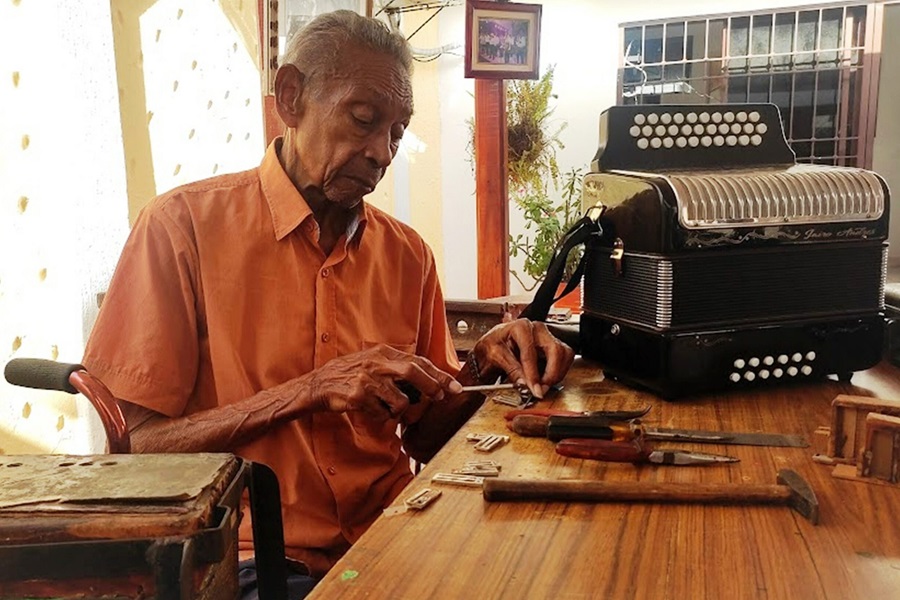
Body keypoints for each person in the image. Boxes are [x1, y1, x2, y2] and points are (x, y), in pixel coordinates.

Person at [82, 10, 574, 599]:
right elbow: (132, 449)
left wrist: (483, 367)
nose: (381, 153)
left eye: (396, 131)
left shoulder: (407, 254)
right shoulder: (182, 228)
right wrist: (308, 391)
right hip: (251, 553)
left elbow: (422, 438)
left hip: (394, 530)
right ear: (291, 98)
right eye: (363, 120)